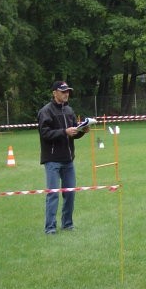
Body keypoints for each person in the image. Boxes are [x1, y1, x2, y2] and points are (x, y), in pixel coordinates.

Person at [37, 81, 86, 234]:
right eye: (63, 91)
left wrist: (82, 130)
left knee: (70, 193)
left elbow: (73, 134)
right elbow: (45, 134)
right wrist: (64, 131)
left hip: (68, 160)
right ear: (54, 93)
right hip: (52, 159)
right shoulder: (46, 111)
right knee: (53, 194)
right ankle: (50, 228)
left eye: (68, 91)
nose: (66, 94)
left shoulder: (69, 110)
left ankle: (67, 224)